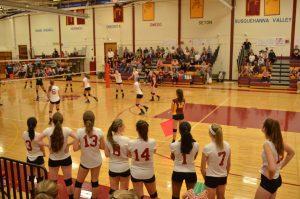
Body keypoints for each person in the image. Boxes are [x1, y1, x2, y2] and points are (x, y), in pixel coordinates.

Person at [37, 112, 77, 199]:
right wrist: (68, 144)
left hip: (53, 160)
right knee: (68, 181)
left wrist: (48, 146)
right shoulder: (67, 130)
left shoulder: (48, 130)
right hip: (66, 158)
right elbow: (78, 137)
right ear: (62, 121)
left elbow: (37, 140)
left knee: (53, 183)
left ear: (52, 121)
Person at [254, 119, 295, 199]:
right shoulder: (279, 141)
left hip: (269, 181)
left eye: (263, 125)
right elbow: (291, 153)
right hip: (277, 179)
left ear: (265, 129)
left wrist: (270, 177)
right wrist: (280, 166)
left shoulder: (267, 144)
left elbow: (272, 168)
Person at [73, 111, 105, 199]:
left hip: (85, 162)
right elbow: (103, 147)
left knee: (78, 183)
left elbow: (75, 148)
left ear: (83, 121)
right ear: (94, 120)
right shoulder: (99, 131)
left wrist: (82, 145)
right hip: (96, 161)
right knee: (95, 182)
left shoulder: (79, 131)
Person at [128, 120, 158, 199]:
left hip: (136, 173)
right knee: (154, 196)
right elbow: (154, 152)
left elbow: (129, 155)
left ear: (136, 130)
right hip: (149, 173)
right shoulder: (152, 142)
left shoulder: (131, 142)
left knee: (140, 197)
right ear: (147, 130)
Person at [201, 124, 231, 199]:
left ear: (210, 134)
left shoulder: (207, 147)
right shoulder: (227, 145)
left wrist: (207, 179)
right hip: (223, 176)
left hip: (211, 177)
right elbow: (228, 165)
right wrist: (225, 176)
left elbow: (202, 169)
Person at [170, 122, 199, 199]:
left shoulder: (173, 145)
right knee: (191, 197)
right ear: (190, 130)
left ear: (179, 131)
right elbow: (194, 157)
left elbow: (172, 158)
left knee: (175, 196)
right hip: (191, 172)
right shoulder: (196, 144)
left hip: (177, 172)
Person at [105, 119, 130, 195]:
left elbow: (107, 155)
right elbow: (130, 155)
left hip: (113, 168)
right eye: (123, 125)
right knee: (124, 192)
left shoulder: (108, 139)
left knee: (113, 191)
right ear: (119, 127)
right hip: (124, 168)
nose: (124, 127)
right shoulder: (127, 140)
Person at [23, 117, 46, 184]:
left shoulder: (24, 133)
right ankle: (40, 193)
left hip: (29, 157)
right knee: (40, 178)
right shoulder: (38, 135)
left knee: (30, 178)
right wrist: (44, 153)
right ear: (36, 125)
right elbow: (42, 147)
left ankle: (31, 192)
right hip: (38, 158)